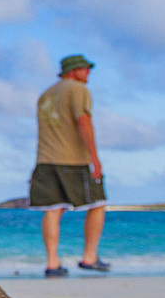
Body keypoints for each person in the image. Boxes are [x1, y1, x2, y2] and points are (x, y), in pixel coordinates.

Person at [29, 54, 109, 278]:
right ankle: (89, 257)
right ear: (74, 71)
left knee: (53, 209)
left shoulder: (45, 95)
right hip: (72, 159)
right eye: (86, 69)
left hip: (45, 159)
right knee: (98, 203)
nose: (89, 73)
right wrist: (94, 158)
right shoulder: (78, 90)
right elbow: (83, 121)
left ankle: (52, 263)